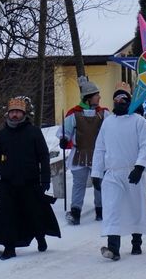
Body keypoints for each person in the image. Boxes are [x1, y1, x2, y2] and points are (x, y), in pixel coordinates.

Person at [0, 97, 60, 260]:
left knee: (34, 214)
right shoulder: (2, 135)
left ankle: (40, 237)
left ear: (24, 114)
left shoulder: (33, 132)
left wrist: (45, 178)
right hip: (8, 185)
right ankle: (9, 248)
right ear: (8, 114)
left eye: (18, 112)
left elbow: (43, 156)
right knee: (8, 217)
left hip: (30, 183)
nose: (15, 115)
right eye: (12, 112)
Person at [91, 83, 146, 261]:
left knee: (135, 207)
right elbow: (100, 148)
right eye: (116, 99)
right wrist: (96, 172)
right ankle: (113, 248)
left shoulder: (139, 121)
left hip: (133, 172)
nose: (120, 102)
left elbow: (145, 146)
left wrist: (140, 167)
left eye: (123, 99)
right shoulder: (108, 123)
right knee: (112, 208)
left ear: (129, 101)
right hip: (113, 174)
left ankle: (136, 242)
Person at [58, 78, 110, 225]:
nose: (99, 97)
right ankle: (75, 212)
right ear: (88, 98)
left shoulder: (104, 114)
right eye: (96, 95)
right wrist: (64, 139)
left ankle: (101, 211)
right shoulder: (74, 115)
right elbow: (65, 132)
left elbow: (112, 131)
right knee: (79, 184)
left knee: (99, 183)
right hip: (79, 153)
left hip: (98, 154)